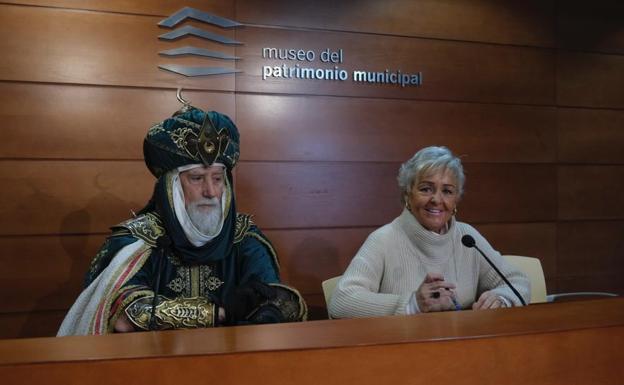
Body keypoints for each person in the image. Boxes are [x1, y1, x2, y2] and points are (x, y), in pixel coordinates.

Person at [58, 99, 306, 336]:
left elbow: (281, 300)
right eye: (197, 178)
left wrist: (269, 310)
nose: (210, 192)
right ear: (171, 186)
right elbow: (125, 315)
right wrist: (220, 313)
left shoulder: (244, 238)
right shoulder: (138, 240)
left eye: (218, 179)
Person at [328, 146, 530, 318]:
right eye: (426, 189)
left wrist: (502, 298)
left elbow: (518, 282)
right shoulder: (385, 239)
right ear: (407, 193)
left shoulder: (467, 237)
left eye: (447, 191)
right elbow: (341, 301)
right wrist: (412, 305)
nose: (437, 200)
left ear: (456, 200)